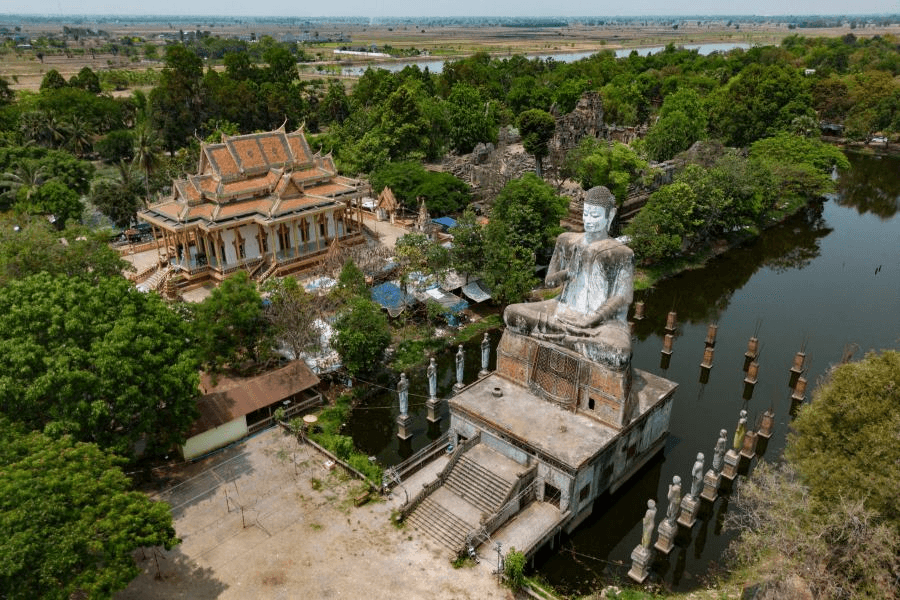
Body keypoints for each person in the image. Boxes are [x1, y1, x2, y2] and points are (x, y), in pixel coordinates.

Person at [503, 186, 634, 369]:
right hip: (561, 308)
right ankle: (570, 338)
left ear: (610, 216)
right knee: (511, 313)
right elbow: (549, 282)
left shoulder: (622, 253)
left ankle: (562, 336)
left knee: (619, 353)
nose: (588, 220)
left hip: (602, 322)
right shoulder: (566, 240)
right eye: (586, 214)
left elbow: (623, 297)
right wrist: (567, 273)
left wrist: (591, 319)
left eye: (595, 216)